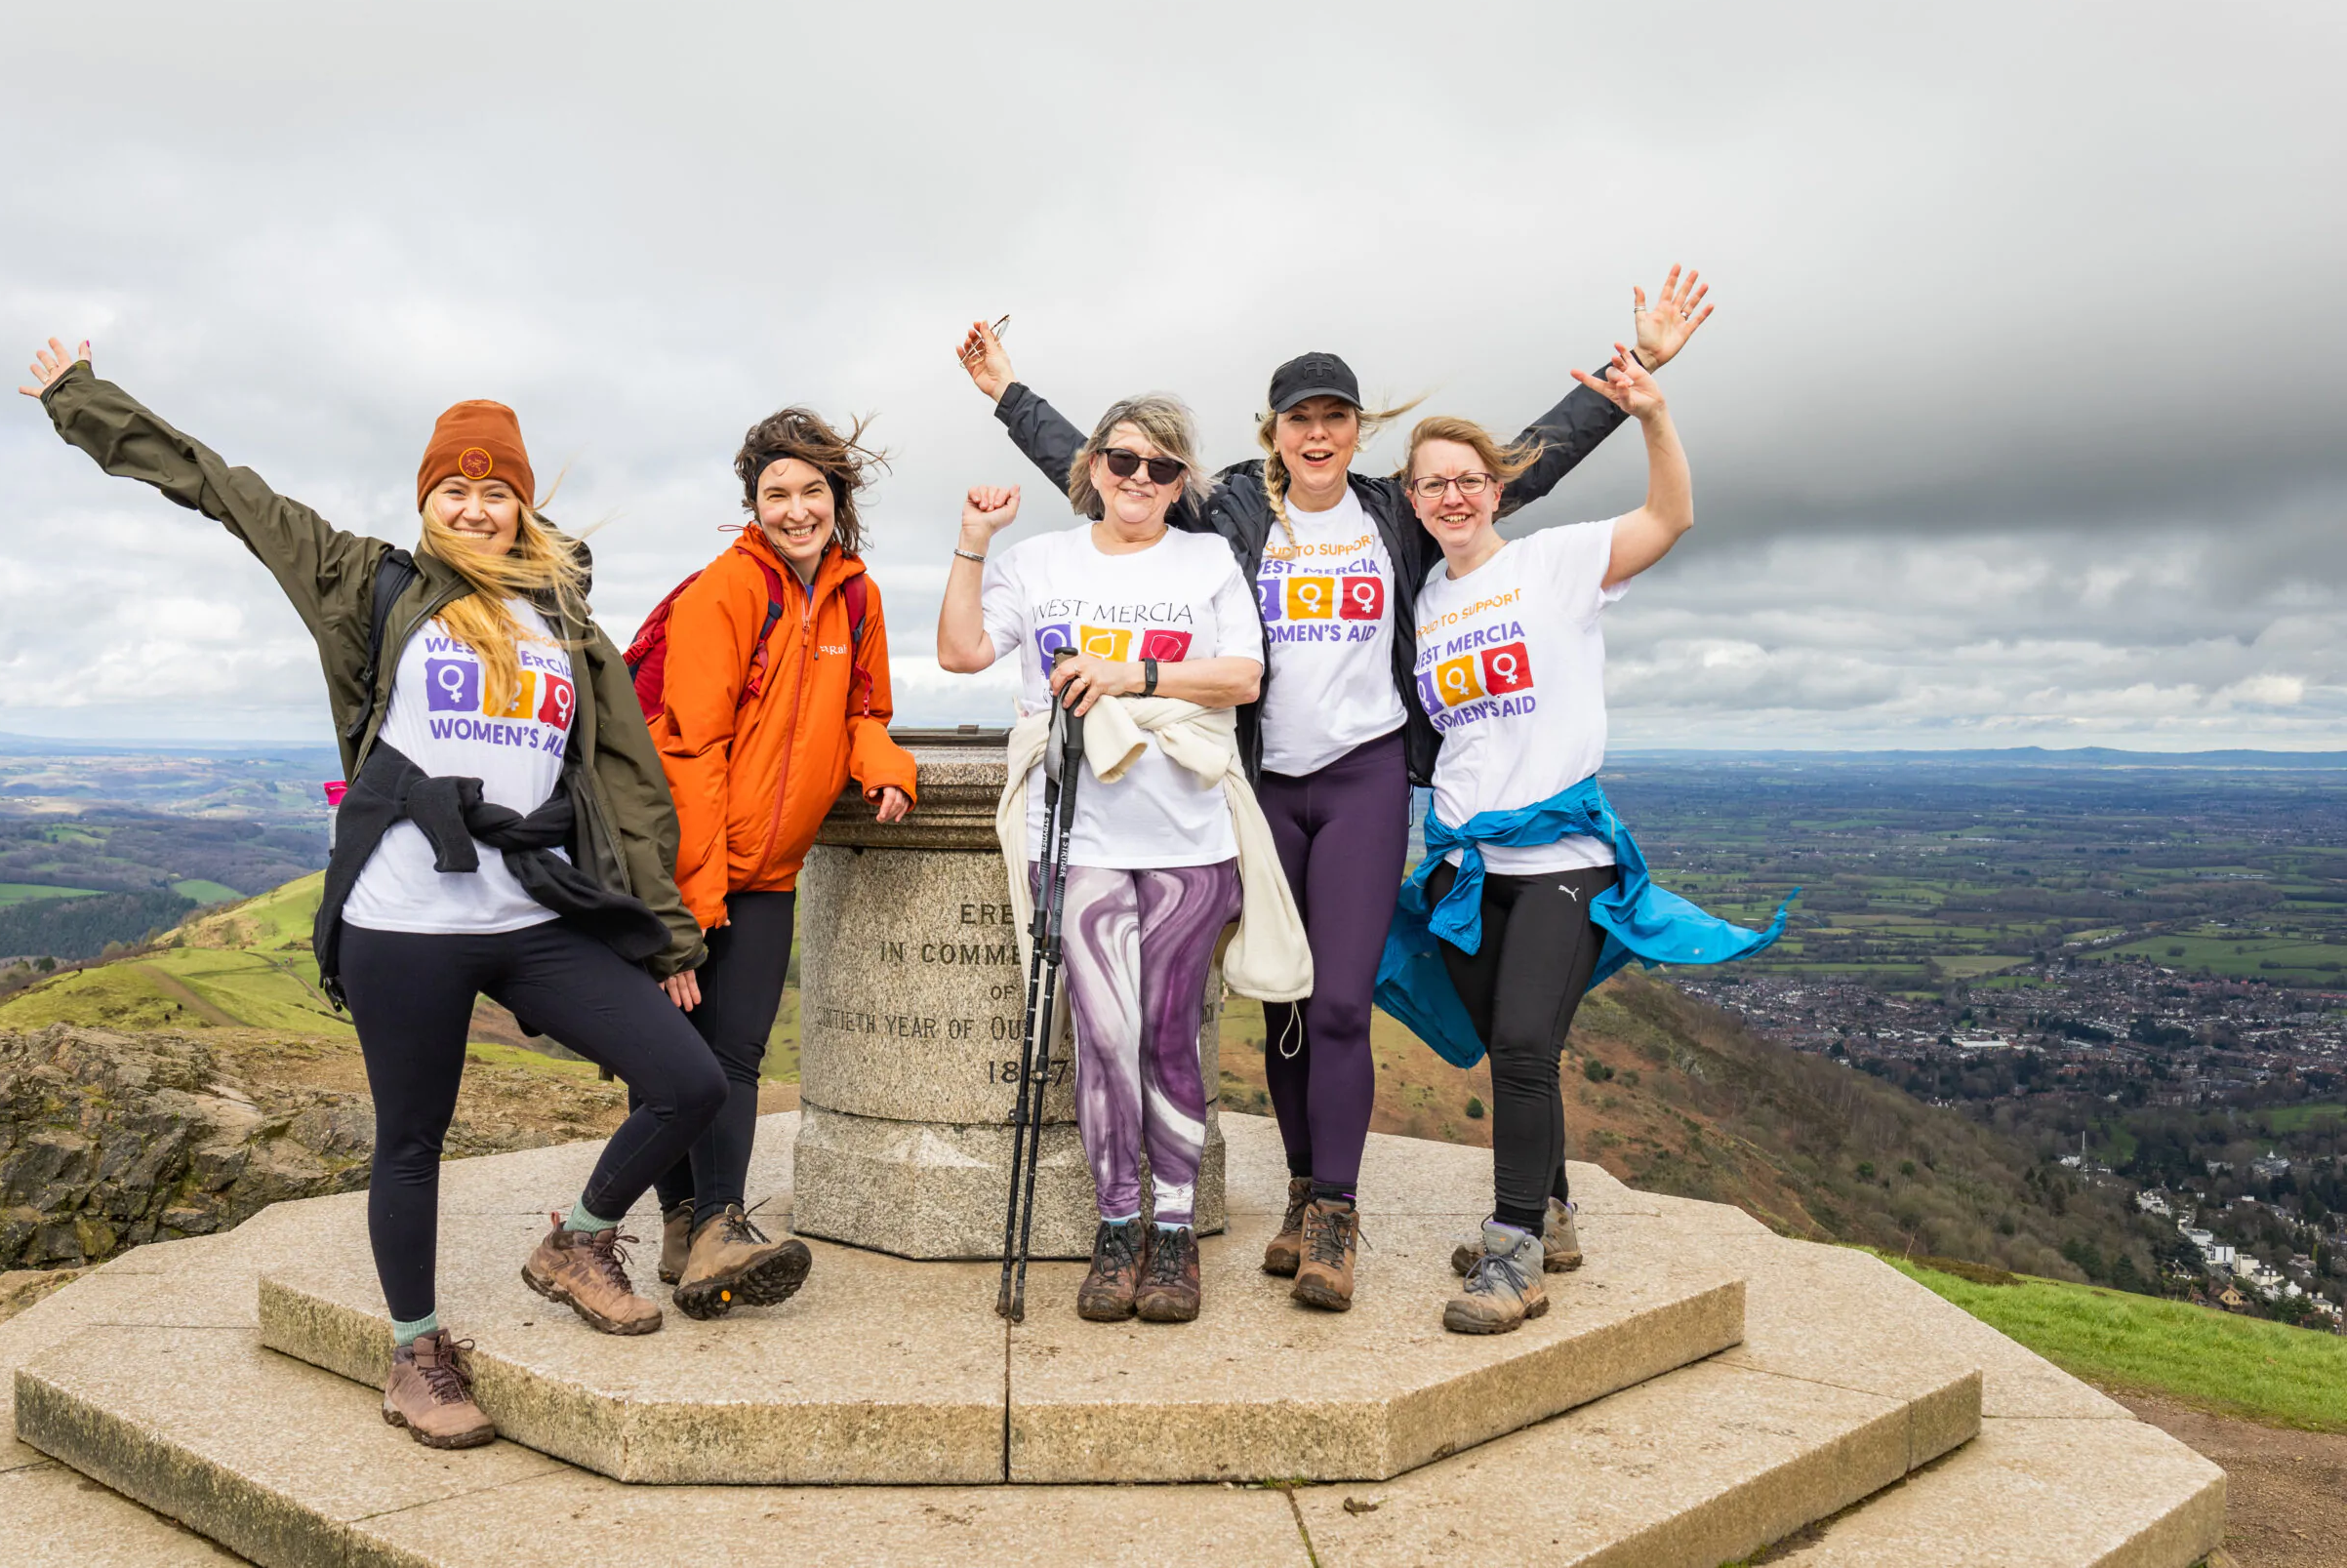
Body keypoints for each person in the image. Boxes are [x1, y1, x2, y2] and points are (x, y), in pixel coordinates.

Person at [953, 270, 1714, 1310]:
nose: (1317, 435)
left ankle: (1336, 1213)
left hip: (1360, 779)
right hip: (1266, 778)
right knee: (1284, 1001)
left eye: (1335, 419)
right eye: (1299, 419)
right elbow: (1118, 474)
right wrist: (1007, 395)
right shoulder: (1228, 507)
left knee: (1344, 1002)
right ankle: (1303, 1189)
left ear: (1358, 432)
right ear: (1272, 432)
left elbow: (1519, 465)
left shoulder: (1393, 513)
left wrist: (1638, 372)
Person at [20, 339, 727, 1447]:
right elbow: (222, 490)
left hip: (534, 913)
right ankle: (415, 1353)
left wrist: (669, 936)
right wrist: (82, 401)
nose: (477, 506)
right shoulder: (369, 580)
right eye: (456, 487)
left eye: (498, 490)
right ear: (426, 498)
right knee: (412, 1137)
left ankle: (578, 1238)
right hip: (404, 923)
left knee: (688, 1079)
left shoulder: (566, 620)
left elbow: (628, 782)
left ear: (523, 504)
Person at [1384, 350, 1785, 1334]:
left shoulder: (1552, 561)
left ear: (1494, 488)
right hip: (1470, 868)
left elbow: (1669, 519)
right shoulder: (1424, 602)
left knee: (1524, 1042)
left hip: (1565, 859)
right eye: (1433, 482)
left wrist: (1650, 412)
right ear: (1412, 497)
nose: (1453, 495)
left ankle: (1514, 1252)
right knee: (1504, 1043)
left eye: (1469, 479)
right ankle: (1552, 1211)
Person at [937, 393, 1308, 1326]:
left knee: (1170, 1034)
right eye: (1123, 460)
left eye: (1162, 468)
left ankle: (1174, 1236)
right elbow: (960, 650)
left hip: (1188, 840)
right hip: (1078, 837)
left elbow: (1244, 675)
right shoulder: (1038, 560)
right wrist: (974, 538)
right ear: (1093, 466)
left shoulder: (1209, 557)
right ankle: (1118, 1225)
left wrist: (1130, 676)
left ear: (1183, 483)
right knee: (1103, 1040)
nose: (1139, 479)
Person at [636, 408, 916, 1317]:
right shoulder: (725, 592)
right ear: (752, 504)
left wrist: (886, 769)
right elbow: (690, 754)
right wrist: (691, 909)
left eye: (812, 491)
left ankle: (708, 1228)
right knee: (671, 1057)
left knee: (737, 1054)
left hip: (771, 874)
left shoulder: (857, 596)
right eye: (777, 494)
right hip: (699, 867)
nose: (797, 510)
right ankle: (693, 1217)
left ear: (839, 496)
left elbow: (863, 710)